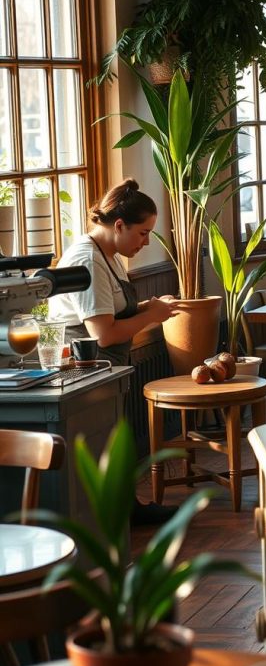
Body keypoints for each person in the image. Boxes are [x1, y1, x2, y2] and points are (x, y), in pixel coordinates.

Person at [49, 178, 179, 523]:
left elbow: (113, 311)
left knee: (112, 443)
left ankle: (126, 510)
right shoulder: (88, 260)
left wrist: (149, 306)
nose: (146, 241)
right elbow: (103, 334)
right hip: (84, 368)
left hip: (107, 369)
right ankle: (114, 518)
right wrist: (152, 317)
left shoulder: (108, 252)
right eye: (142, 233)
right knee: (102, 447)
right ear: (118, 225)